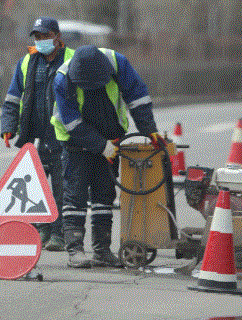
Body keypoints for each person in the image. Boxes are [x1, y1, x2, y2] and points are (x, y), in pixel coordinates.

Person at [51, 45, 166, 268]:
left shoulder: (118, 63)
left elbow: (137, 97)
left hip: (111, 138)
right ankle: (74, 250)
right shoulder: (63, 79)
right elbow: (72, 122)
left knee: (104, 194)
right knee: (75, 195)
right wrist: (101, 146)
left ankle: (102, 250)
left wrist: (148, 128)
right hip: (76, 143)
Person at [0, 17, 74, 251]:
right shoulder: (27, 62)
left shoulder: (72, 60)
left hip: (63, 138)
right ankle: (41, 230)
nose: (41, 41)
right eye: (37, 37)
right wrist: (8, 126)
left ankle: (59, 232)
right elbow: (13, 97)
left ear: (57, 36)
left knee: (62, 189)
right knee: (34, 188)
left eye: (45, 36)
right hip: (35, 137)